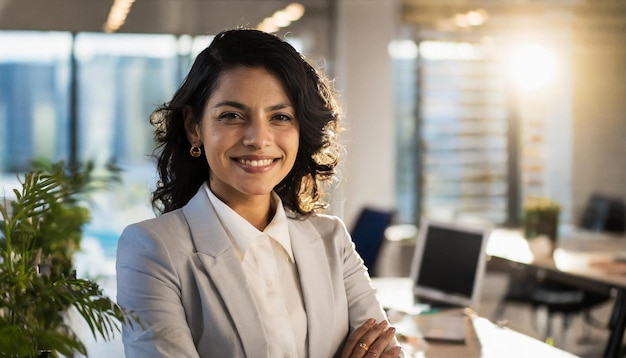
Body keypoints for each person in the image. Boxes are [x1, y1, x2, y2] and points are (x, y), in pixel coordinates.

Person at [116, 28, 403, 358]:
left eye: (280, 116)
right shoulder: (152, 250)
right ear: (195, 126)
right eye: (232, 116)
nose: (258, 138)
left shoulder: (331, 240)